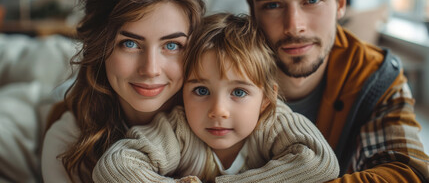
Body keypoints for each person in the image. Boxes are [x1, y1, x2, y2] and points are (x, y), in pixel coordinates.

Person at [232, 0, 429, 182]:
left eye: (312, 0)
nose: (294, 25)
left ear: (341, 2)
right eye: (273, 5)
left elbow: (408, 173)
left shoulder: (374, 75)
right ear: (253, 13)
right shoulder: (219, 70)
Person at [92, 13, 339, 183]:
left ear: (266, 98)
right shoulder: (179, 129)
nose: (218, 111)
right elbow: (114, 168)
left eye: (239, 92)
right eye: (201, 91)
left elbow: (320, 162)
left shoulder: (272, 120)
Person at [41, 0, 206, 182]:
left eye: (172, 45)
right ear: (99, 47)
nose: (150, 69)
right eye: (130, 43)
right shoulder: (65, 143)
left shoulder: (222, 118)